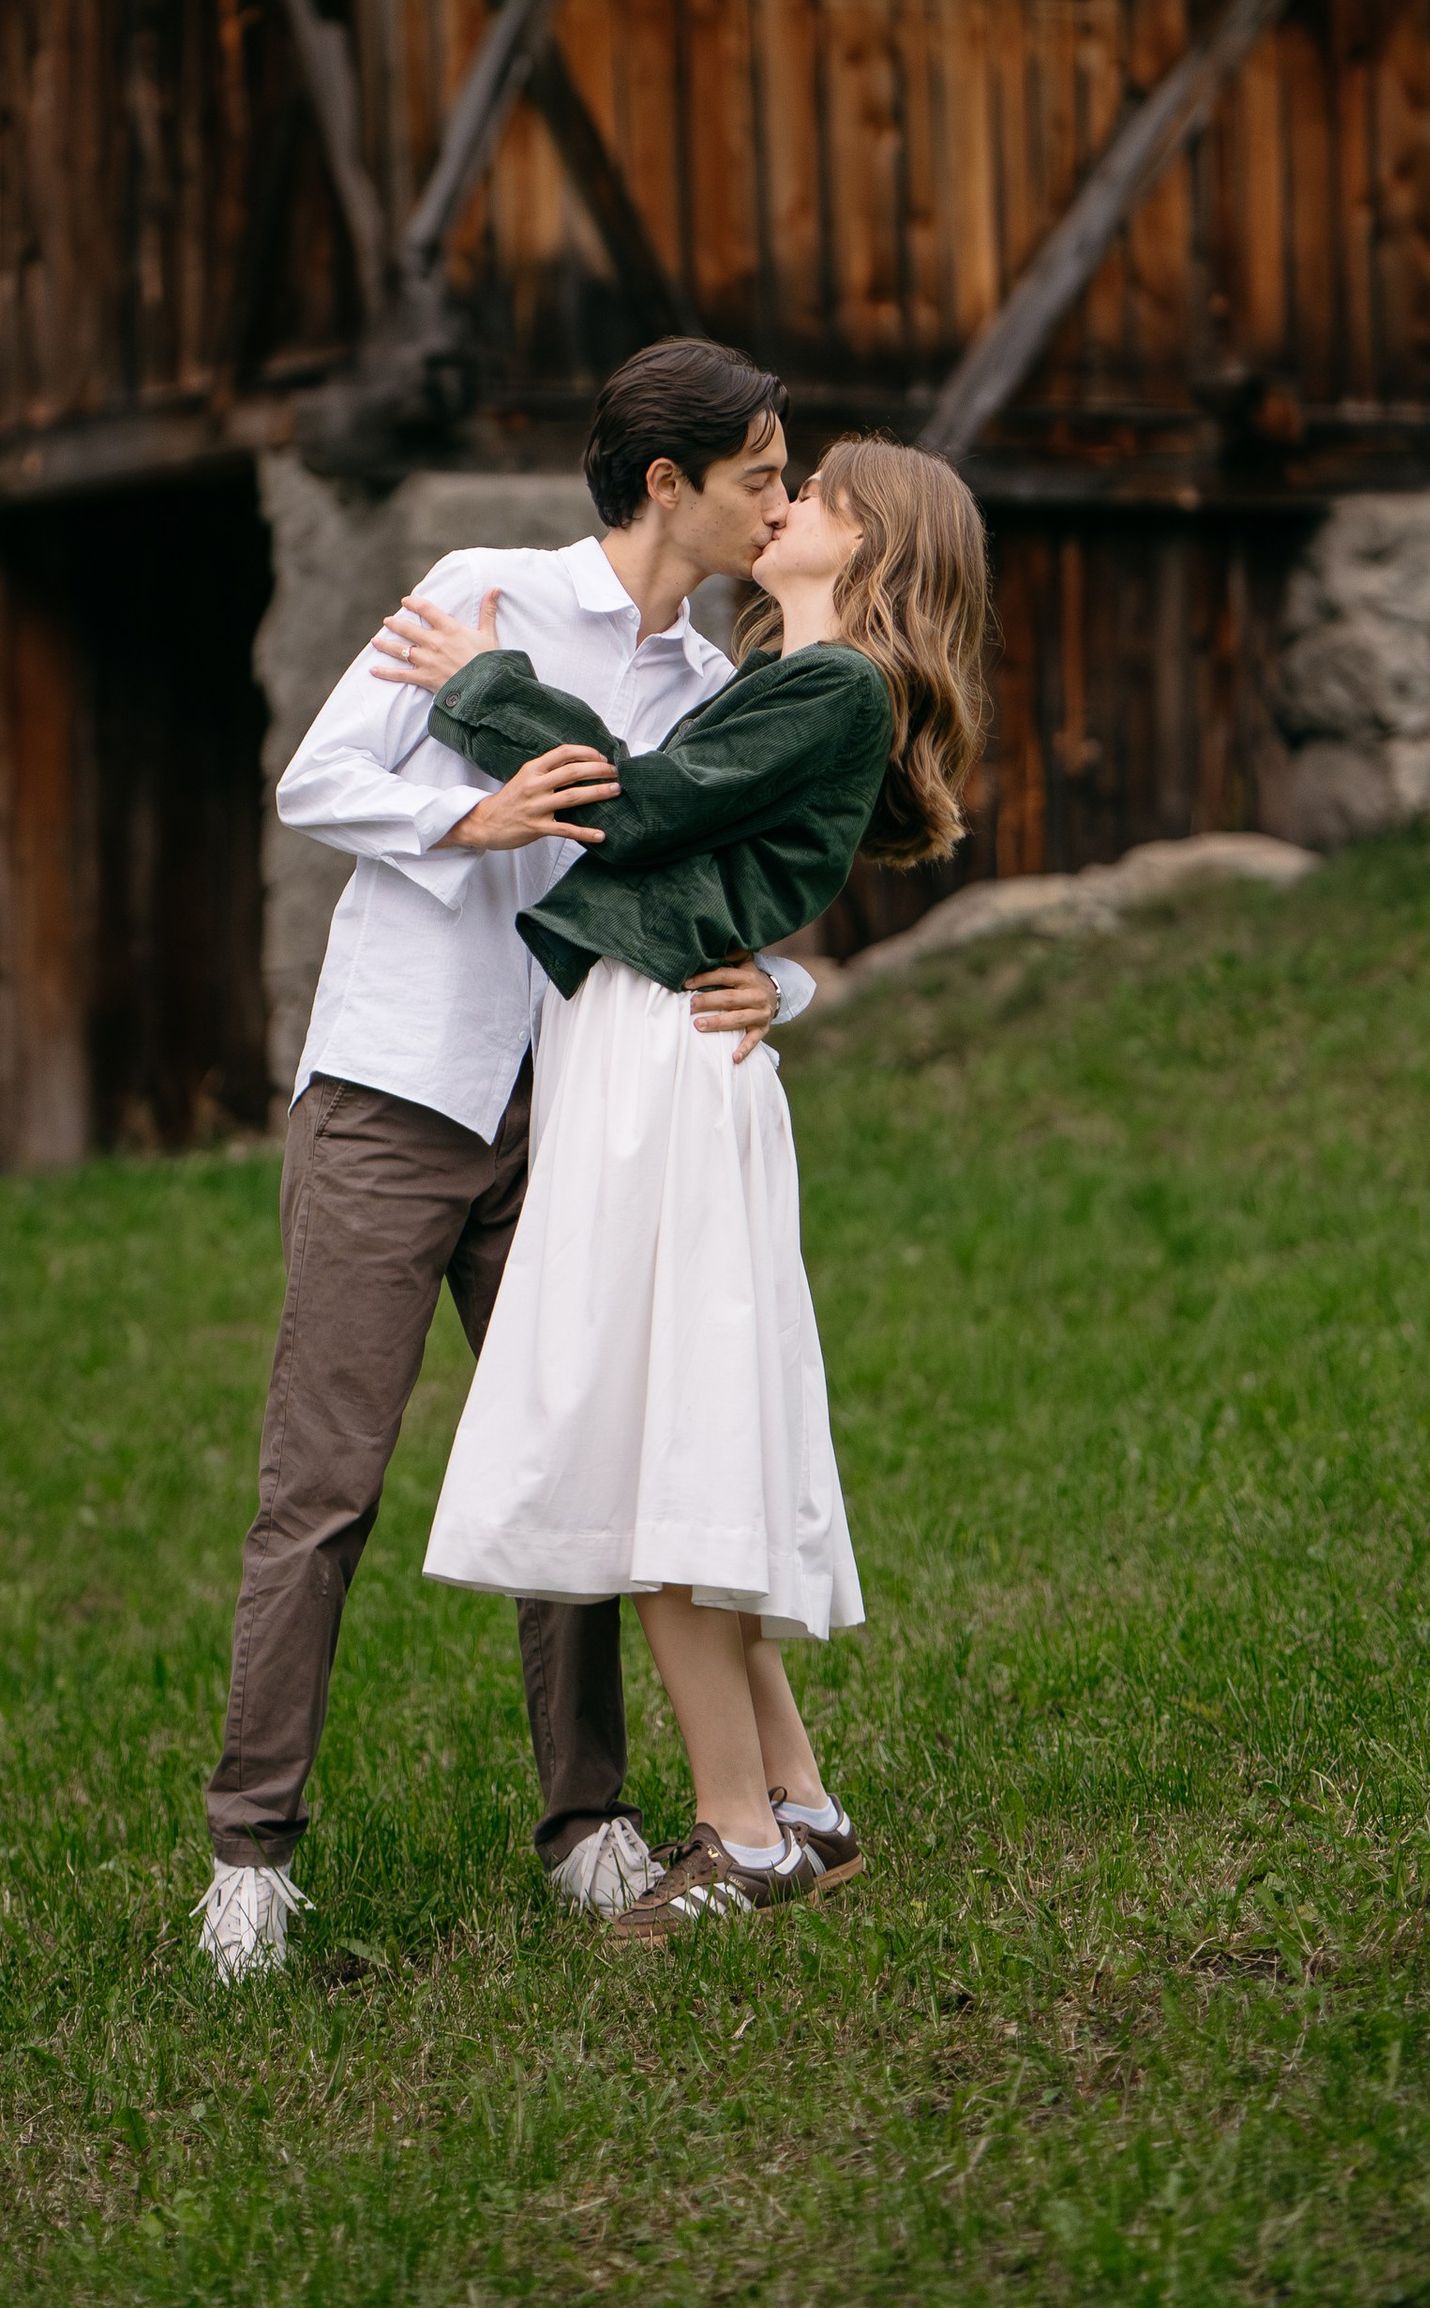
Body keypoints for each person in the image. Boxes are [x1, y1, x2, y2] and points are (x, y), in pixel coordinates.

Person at [197, 340, 826, 1980]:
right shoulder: (483, 596)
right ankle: (250, 1860)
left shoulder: (706, 687)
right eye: (761, 472)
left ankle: (589, 1825)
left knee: (582, 1465)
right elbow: (315, 779)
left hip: (574, 1111)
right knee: (320, 1489)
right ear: (669, 483)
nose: (784, 500)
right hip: (395, 1098)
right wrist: (462, 823)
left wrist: (793, 982)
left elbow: (717, 884)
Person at [374, 434, 988, 1943]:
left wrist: (477, 686)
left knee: (657, 1455)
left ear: (872, 550)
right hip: (646, 1044)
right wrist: (782, 978)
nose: (789, 506)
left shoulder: (832, 685)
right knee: (673, 1429)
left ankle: (737, 1838)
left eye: (822, 497)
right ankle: (800, 1802)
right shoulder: (801, 684)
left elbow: (640, 806)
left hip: (660, 1063)